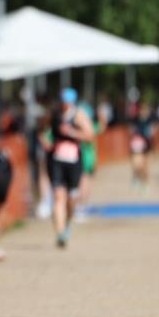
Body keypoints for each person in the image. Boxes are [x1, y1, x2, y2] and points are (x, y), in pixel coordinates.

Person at [40, 87, 94, 248]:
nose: (65, 105)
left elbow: (90, 136)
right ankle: (60, 233)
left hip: (74, 161)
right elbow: (41, 130)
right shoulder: (54, 115)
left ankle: (67, 222)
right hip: (55, 160)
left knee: (71, 199)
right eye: (63, 101)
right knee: (58, 196)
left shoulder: (79, 115)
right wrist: (47, 144)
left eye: (67, 102)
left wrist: (71, 132)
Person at [130, 101, 157, 191]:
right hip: (137, 147)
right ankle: (136, 178)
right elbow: (131, 130)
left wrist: (152, 131)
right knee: (137, 164)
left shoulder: (151, 119)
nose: (144, 111)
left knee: (146, 167)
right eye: (143, 109)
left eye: (146, 110)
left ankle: (145, 184)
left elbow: (155, 129)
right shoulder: (135, 119)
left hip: (148, 146)